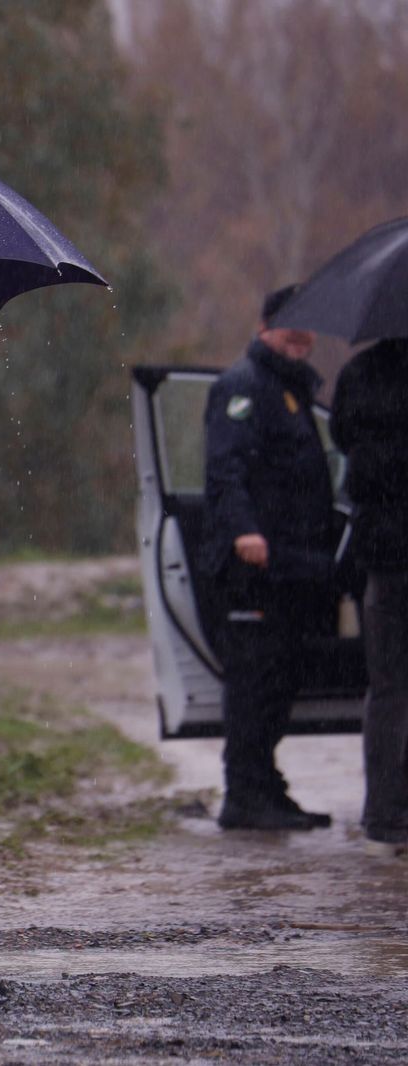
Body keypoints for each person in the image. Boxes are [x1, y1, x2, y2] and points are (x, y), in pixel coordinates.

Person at [201, 284, 336, 831]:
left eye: (309, 328)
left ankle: (266, 788)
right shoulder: (243, 386)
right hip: (254, 567)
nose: (302, 337)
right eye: (292, 326)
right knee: (255, 682)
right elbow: (224, 468)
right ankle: (244, 795)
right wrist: (244, 532)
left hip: (292, 567)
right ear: (266, 327)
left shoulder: (291, 390)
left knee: (281, 679)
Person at [329, 336, 408, 856]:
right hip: (389, 548)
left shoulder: (359, 372)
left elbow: (340, 437)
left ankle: (384, 812)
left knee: (387, 688)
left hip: (382, 553)